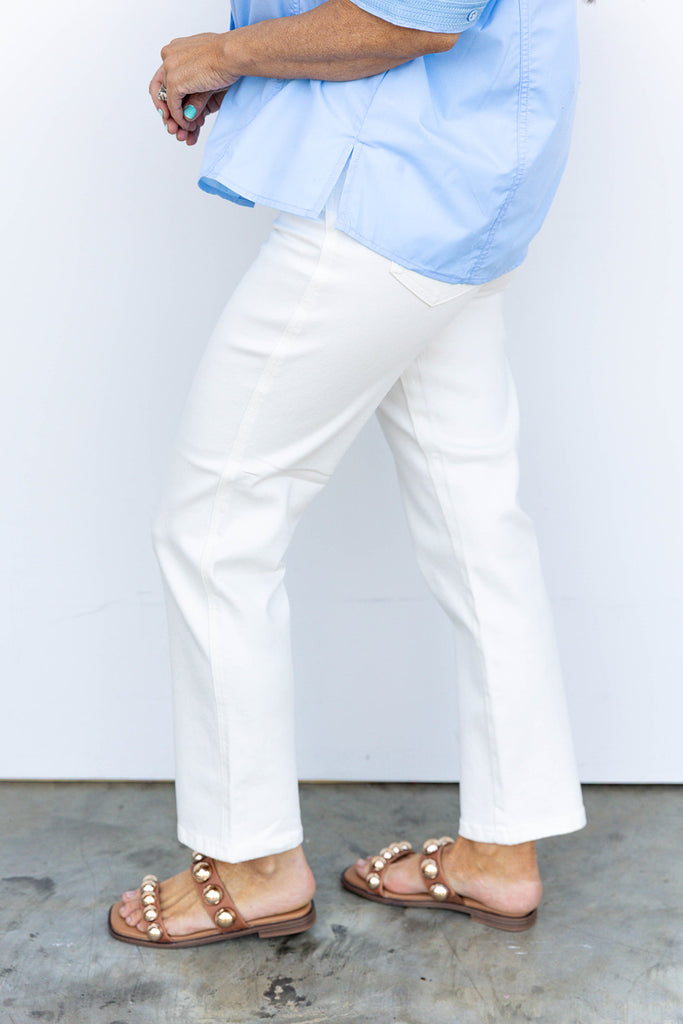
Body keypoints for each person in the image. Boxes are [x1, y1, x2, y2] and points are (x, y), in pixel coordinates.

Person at [109, 0, 587, 948]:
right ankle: (500, 852)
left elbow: (407, 20)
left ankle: (251, 866)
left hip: (387, 211)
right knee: (477, 533)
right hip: (462, 199)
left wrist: (227, 53)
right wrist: (248, 67)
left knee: (214, 529)